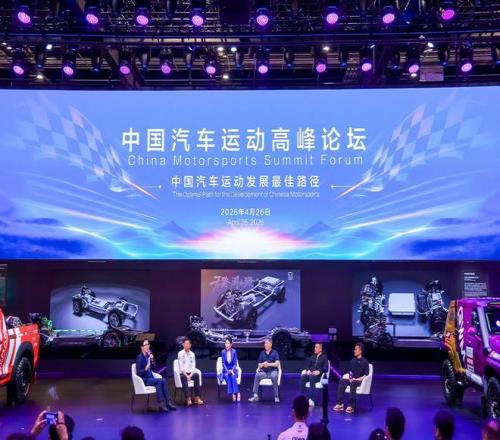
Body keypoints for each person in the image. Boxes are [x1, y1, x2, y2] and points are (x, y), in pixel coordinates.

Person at [136, 339, 176, 412]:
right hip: (144, 380)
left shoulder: (148, 356)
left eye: (148, 344)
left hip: (151, 378)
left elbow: (154, 369)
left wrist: (152, 360)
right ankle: (164, 404)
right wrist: (145, 369)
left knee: (161, 382)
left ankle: (166, 403)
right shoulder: (139, 357)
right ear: (142, 347)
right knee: (161, 381)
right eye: (145, 345)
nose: (148, 346)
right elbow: (138, 373)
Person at [333, 342, 369, 414]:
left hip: (360, 381)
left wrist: (356, 379)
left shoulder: (365, 361)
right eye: (354, 349)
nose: (354, 351)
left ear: (360, 351)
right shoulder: (352, 361)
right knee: (342, 381)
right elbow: (350, 372)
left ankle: (351, 406)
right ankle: (340, 404)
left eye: (356, 349)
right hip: (353, 379)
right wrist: (350, 378)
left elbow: (366, 375)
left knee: (353, 383)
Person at [248, 338, 281, 403]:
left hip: (273, 371)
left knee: (274, 376)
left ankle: (276, 396)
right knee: (257, 375)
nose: (265, 345)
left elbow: (277, 363)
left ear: (271, 344)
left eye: (267, 343)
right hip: (264, 373)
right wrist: (263, 364)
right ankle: (255, 396)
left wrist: (269, 364)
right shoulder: (262, 353)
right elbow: (259, 365)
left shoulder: (275, 352)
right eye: (265, 343)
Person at [300, 342, 329, 407]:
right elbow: (307, 365)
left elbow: (326, 367)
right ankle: (301, 398)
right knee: (303, 377)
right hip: (311, 374)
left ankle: (312, 400)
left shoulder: (324, 357)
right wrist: (308, 370)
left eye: (316, 347)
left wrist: (319, 371)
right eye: (314, 347)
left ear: (320, 349)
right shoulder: (312, 356)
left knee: (312, 377)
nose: (314, 348)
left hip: (319, 376)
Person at [178, 337, 204, 405]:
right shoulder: (180, 353)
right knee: (183, 377)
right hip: (183, 373)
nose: (187, 345)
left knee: (197, 375)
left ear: (190, 345)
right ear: (183, 344)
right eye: (186, 344)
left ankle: (197, 397)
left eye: (188, 344)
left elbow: (193, 366)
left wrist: (191, 375)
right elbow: (181, 366)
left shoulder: (192, 354)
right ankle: (188, 398)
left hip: (190, 373)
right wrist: (187, 375)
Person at [220, 336, 241, 402]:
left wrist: (232, 370)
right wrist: (227, 370)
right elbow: (223, 363)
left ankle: (237, 393)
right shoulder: (223, 352)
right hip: (226, 370)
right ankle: (233, 394)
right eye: (226, 343)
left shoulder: (234, 352)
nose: (226, 345)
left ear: (231, 344)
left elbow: (235, 363)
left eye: (228, 343)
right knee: (228, 377)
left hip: (233, 369)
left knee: (233, 376)